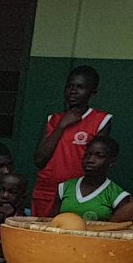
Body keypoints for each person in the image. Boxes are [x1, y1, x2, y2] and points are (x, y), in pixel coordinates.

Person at [32, 66, 112, 216]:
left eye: (80, 87)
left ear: (92, 93)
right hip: (47, 190)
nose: (73, 91)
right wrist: (62, 125)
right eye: (70, 86)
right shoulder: (53, 120)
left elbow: (99, 162)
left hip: (77, 193)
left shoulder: (100, 120)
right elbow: (39, 160)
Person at [58, 134, 126, 221]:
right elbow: (53, 222)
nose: (90, 160)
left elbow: (119, 229)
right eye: (87, 154)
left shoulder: (118, 196)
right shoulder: (64, 188)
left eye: (99, 156)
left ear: (111, 161)